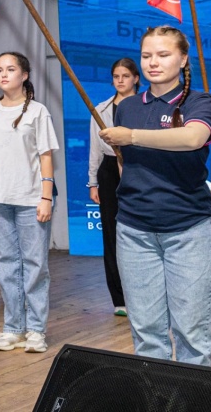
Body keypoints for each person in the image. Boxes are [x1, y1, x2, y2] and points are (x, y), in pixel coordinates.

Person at [100, 26, 211, 366]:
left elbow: (193, 138)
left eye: (163, 55)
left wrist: (132, 136)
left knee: (191, 332)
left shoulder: (198, 101)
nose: (153, 62)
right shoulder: (127, 107)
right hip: (134, 231)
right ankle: (155, 392)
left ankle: (193, 394)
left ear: (182, 59)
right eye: (147, 56)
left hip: (187, 230)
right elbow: (125, 163)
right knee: (147, 332)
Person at [0, 52, 59, 354]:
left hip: (31, 199)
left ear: (24, 75)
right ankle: (13, 327)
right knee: (4, 265)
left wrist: (45, 197)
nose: (4, 74)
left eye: (10, 69)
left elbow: (46, 156)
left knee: (35, 265)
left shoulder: (37, 111)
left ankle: (36, 329)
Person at [87, 58, 139, 317]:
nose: (120, 80)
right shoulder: (100, 110)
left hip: (138, 167)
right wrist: (93, 182)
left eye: (125, 76)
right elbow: (94, 150)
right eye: (116, 76)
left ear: (136, 79)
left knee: (139, 233)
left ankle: (141, 295)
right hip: (108, 171)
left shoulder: (146, 107)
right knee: (111, 234)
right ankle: (119, 299)